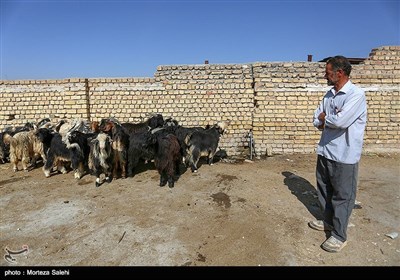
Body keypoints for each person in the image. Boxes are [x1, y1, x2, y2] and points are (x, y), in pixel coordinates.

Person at [310, 55, 367, 253]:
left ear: (339, 73)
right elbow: (316, 120)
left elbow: (341, 122)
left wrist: (328, 119)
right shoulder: (329, 95)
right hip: (326, 150)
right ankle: (327, 221)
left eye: (327, 72)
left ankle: (339, 235)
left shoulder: (355, 95)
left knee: (343, 196)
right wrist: (327, 119)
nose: (325, 75)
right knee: (325, 190)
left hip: (345, 154)